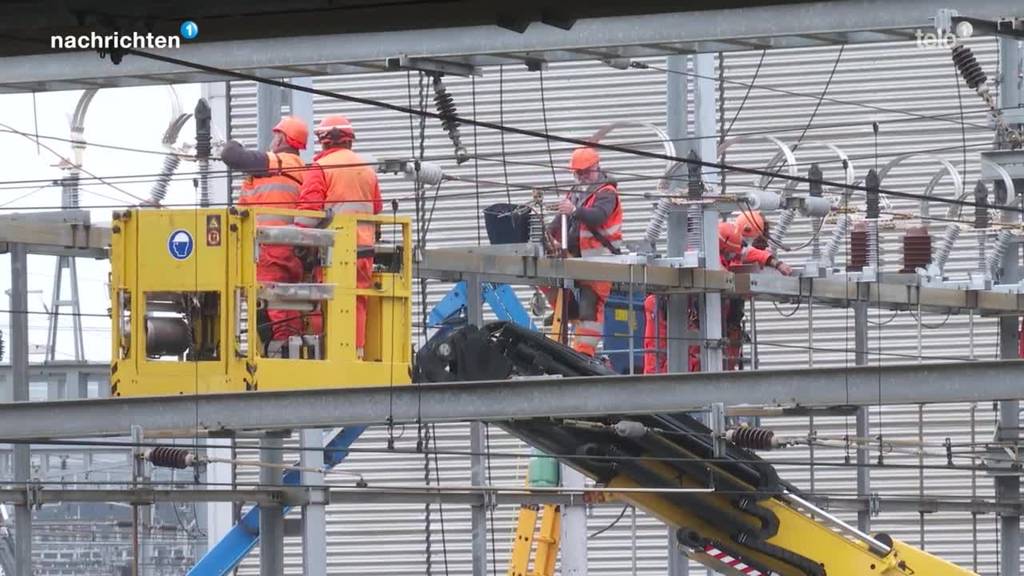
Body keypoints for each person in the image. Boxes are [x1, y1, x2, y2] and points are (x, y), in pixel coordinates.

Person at [642, 220, 794, 373]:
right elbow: (715, 272)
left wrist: (775, 263)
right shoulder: (698, 255)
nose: (732, 257)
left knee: (704, 354)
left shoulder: (729, 249)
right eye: (729, 254)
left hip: (701, 316)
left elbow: (747, 253)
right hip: (670, 310)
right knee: (662, 356)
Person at [296, 115, 382, 359]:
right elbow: (376, 207)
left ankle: (335, 357)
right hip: (365, 249)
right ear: (350, 141)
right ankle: (356, 353)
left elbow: (306, 218)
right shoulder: (367, 169)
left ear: (323, 142)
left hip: (335, 251)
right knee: (357, 300)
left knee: (332, 302)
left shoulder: (321, 168)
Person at [220, 116, 308, 347]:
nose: (272, 141)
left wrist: (233, 143)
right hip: (284, 251)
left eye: (275, 135)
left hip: (270, 251)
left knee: (273, 311)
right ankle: (281, 351)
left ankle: (280, 355)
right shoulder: (297, 170)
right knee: (275, 307)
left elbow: (232, 156)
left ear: (282, 139)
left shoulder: (282, 162)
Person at [543, 146, 623, 358]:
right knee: (544, 275)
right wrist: (545, 235)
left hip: (599, 261)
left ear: (596, 166)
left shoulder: (607, 192)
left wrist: (574, 210)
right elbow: (560, 221)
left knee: (591, 308)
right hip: (578, 259)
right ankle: (566, 311)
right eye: (577, 173)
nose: (581, 176)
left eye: (585, 171)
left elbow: (597, 216)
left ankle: (584, 354)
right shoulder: (576, 192)